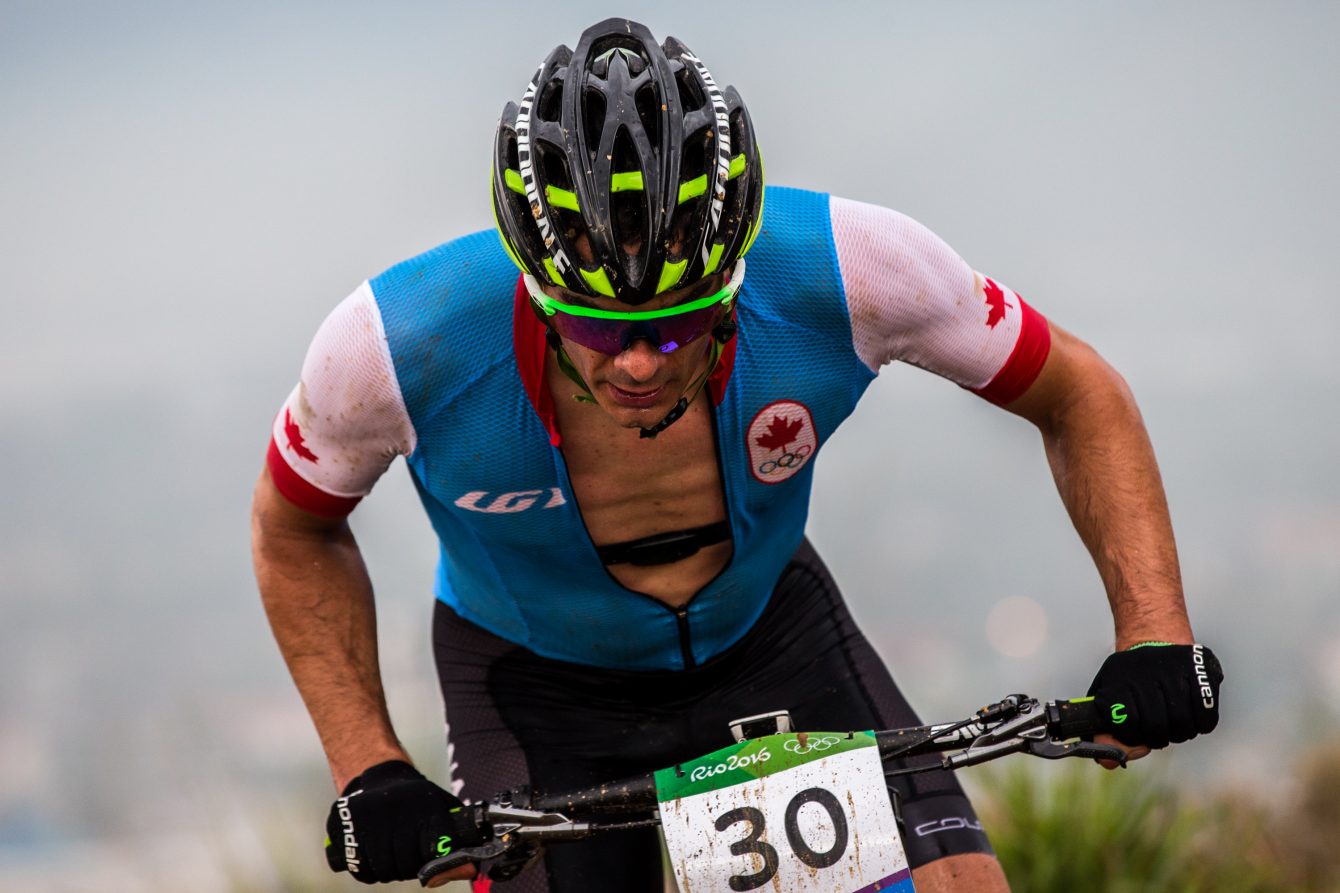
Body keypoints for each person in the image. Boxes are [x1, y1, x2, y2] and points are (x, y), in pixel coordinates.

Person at [250, 17, 1222, 892]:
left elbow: (1076, 391)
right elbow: (293, 527)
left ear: (735, 274)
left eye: (678, 323)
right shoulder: (395, 343)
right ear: (535, 286)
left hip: (769, 640)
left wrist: (1152, 633)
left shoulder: (852, 266)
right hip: (533, 685)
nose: (637, 361)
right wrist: (368, 765)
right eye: (596, 328)